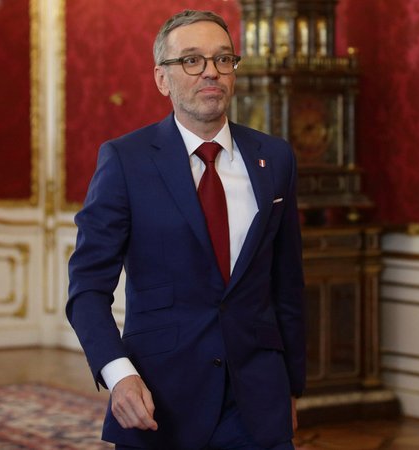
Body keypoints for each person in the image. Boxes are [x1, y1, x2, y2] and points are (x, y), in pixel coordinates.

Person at [67, 9, 305, 450]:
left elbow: (286, 284)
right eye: (192, 61)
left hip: (258, 401)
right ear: (162, 78)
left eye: (223, 60)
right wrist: (119, 376)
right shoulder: (126, 161)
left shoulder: (275, 159)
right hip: (160, 402)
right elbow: (86, 289)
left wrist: (291, 389)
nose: (210, 72)